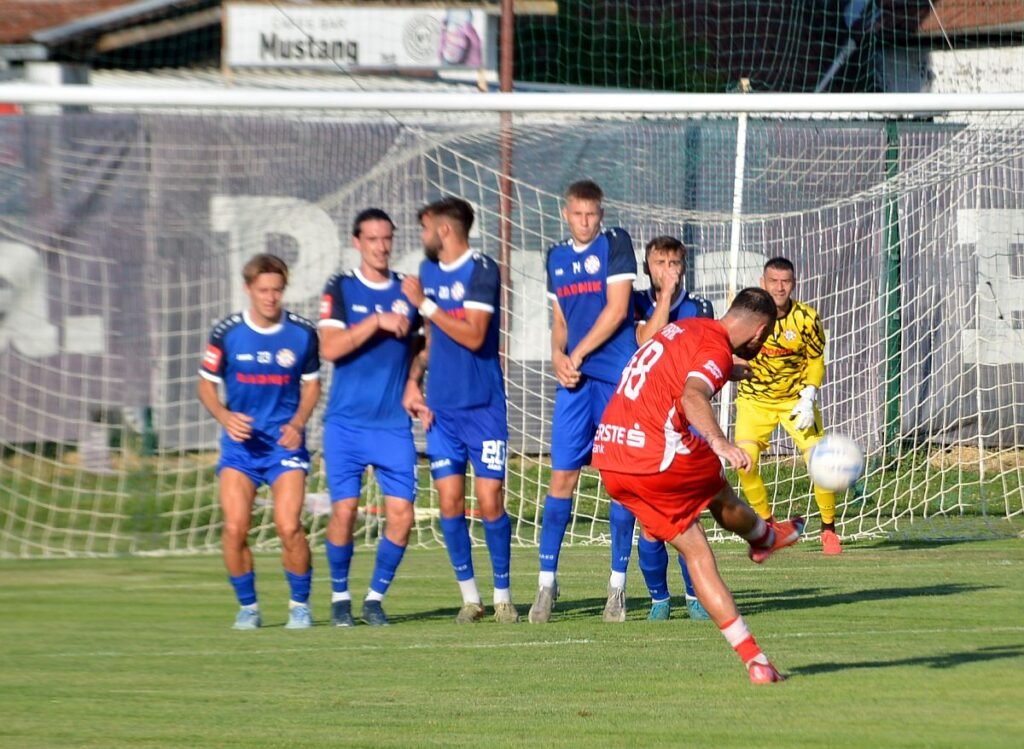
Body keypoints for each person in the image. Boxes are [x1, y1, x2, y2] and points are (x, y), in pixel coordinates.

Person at [592, 287, 806, 684]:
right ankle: (763, 538)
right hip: (655, 455)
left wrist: (727, 370)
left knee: (695, 547)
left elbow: (674, 372)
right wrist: (720, 442)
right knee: (715, 489)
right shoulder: (716, 349)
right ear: (759, 332)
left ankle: (756, 660)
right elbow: (693, 395)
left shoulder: (687, 328)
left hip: (611, 458)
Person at [400, 197, 519, 624]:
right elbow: (430, 340)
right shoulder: (428, 272)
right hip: (442, 413)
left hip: (483, 409)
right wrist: (413, 381)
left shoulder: (482, 269)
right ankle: (471, 598)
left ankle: (503, 595)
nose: (422, 236)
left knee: (490, 501)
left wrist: (426, 304)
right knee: (449, 502)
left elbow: (474, 335)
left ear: (445, 229)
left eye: (425, 228)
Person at [529, 180, 639, 625]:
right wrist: (558, 355)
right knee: (561, 478)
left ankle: (616, 587)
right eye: (578, 214)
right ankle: (546, 584)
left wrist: (577, 353)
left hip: (614, 380)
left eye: (592, 214)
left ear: (601, 213)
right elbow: (559, 319)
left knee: (619, 481)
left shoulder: (615, 243)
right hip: (574, 382)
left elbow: (617, 311)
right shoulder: (556, 257)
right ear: (566, 213)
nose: (585, 221)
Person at [197, 253, 321, 630]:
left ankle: (299, 606)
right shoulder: (227, 332)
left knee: (289, 526)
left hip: (284, 447)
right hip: (241, 450)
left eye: (277, 290)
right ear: (248, 289)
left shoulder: (302, 333)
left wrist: (298, 422)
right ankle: (248, 608)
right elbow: (206, 385)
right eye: (264, 290)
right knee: (234, 528)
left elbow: (312, 385)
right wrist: (225, 417)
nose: (271, 297)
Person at [318, 208, 426, 628]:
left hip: (392, 426)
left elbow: (424, 345)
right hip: (345, 424)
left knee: (402, 515)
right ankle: (340, 598)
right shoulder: (342, 287)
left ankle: (375, 599)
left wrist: (414, 381)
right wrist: (377, 321)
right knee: (344, 511)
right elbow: (330, 348)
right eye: (372, 239)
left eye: (387, 239)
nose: (381, 247)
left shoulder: (408, 289)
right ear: (357, 242)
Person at [632, 236, 714, 622]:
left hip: (686, 424)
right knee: (650, 522)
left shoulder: (699, 307)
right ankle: (659, 600)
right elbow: (645, 343)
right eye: (660, 262)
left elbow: (702, 360)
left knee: (687, 516)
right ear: (647, 267)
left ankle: (695, 596)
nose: (668, 269)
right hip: (647, 424)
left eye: (674, 263)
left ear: (684, 266)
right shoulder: (635, 303)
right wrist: (664, 296)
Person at [734, 257, 841, 554]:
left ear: (793, 284)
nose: (779, 288)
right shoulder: (748, 315)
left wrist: (809, 395)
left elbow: (816, 360)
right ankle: (768, 525)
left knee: (821, 464)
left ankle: (828, 528)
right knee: (744, 463)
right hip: (754, 401)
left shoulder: (806, 318)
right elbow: (729, 347)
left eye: (786, 281)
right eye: (773, 281)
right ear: (763, 282)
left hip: (796, 402)